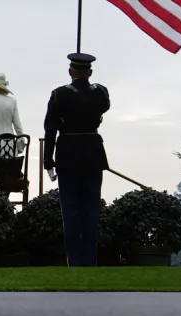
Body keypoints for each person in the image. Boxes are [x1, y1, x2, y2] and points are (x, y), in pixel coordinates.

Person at [43, 52, 111, 267]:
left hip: (68, 155)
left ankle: (74, 261)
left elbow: (50, 129)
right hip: (93, 154)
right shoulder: (101, 93)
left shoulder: (58, 95)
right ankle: (90, 260)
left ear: (70, 71)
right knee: (91, 210)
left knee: (71, 211)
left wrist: (48, 161)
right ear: (90, 72)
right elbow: (104, 107)